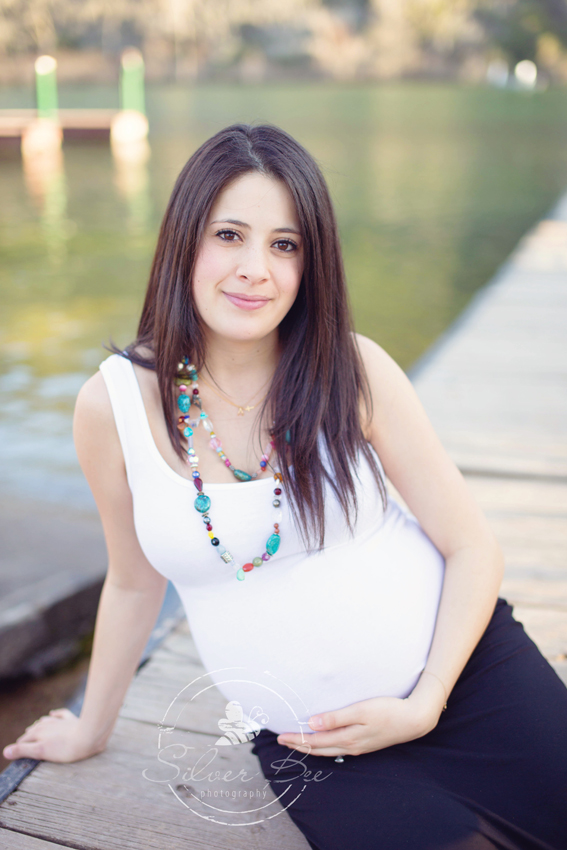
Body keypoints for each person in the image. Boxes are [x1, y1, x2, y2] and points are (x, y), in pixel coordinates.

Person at [4, 123, 567, 849]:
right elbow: (134, 581)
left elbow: (470, 545)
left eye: (284, 245)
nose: (254, 270)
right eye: (229, 235)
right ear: (183, 241)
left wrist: (427, 701)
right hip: (316, 745)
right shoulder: (111, 407)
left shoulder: (353, 371)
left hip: (465, 678)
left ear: (310, 263)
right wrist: (90, 727)